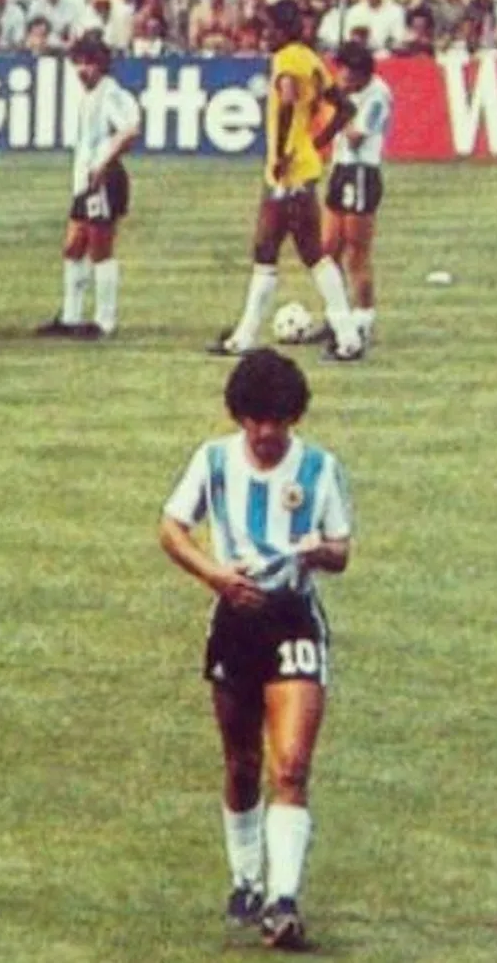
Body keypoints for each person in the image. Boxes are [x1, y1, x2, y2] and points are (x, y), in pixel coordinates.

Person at [159, 348, 353, 952]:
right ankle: (246, 880)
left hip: (293, 621)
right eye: (255, 419)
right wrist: (215, 575)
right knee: (242, 763)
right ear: (239, 416)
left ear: (294, 417)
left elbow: (342, 551)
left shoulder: (319, 468)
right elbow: (171, 528)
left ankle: (282, 901)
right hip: (234, 624)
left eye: (278, 420)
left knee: (289, 765)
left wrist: (317, 551)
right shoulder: (214, 460)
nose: (266, 432)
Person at [209, 0, 363, 362]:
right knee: (269, 250)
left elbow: (288, 102)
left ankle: (347, 338)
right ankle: (244, 336)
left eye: (271, 28)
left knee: (308, 254)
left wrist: (281, 153)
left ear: (284, 29)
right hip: (299, 165)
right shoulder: (311, 59)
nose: (266, 35)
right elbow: (345, 108)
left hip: (288, 172)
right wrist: (317, 142)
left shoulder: (287, 59)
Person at [36, 32, 140, 340]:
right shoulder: (91, 95)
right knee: (73, 246)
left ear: (101, 64)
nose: (82, 70)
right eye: (78, 63)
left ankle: (105, 321)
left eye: (89, 63)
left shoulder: (110, 93)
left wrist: (104, 162)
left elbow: (130, 130)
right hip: (86, 182)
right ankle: (71, 316)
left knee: (100, 249)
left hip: (103, 180)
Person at [321, 42, 392, 348]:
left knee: (356, 252)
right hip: (341, 169)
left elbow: (355, 138)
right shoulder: (348, 90)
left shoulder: (377, 96)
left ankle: (363, 318)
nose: (341, 76)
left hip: (361, 171)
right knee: (327, 250)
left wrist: (341, 106)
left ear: (361, 74)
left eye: (347, 72)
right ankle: (336, 316)